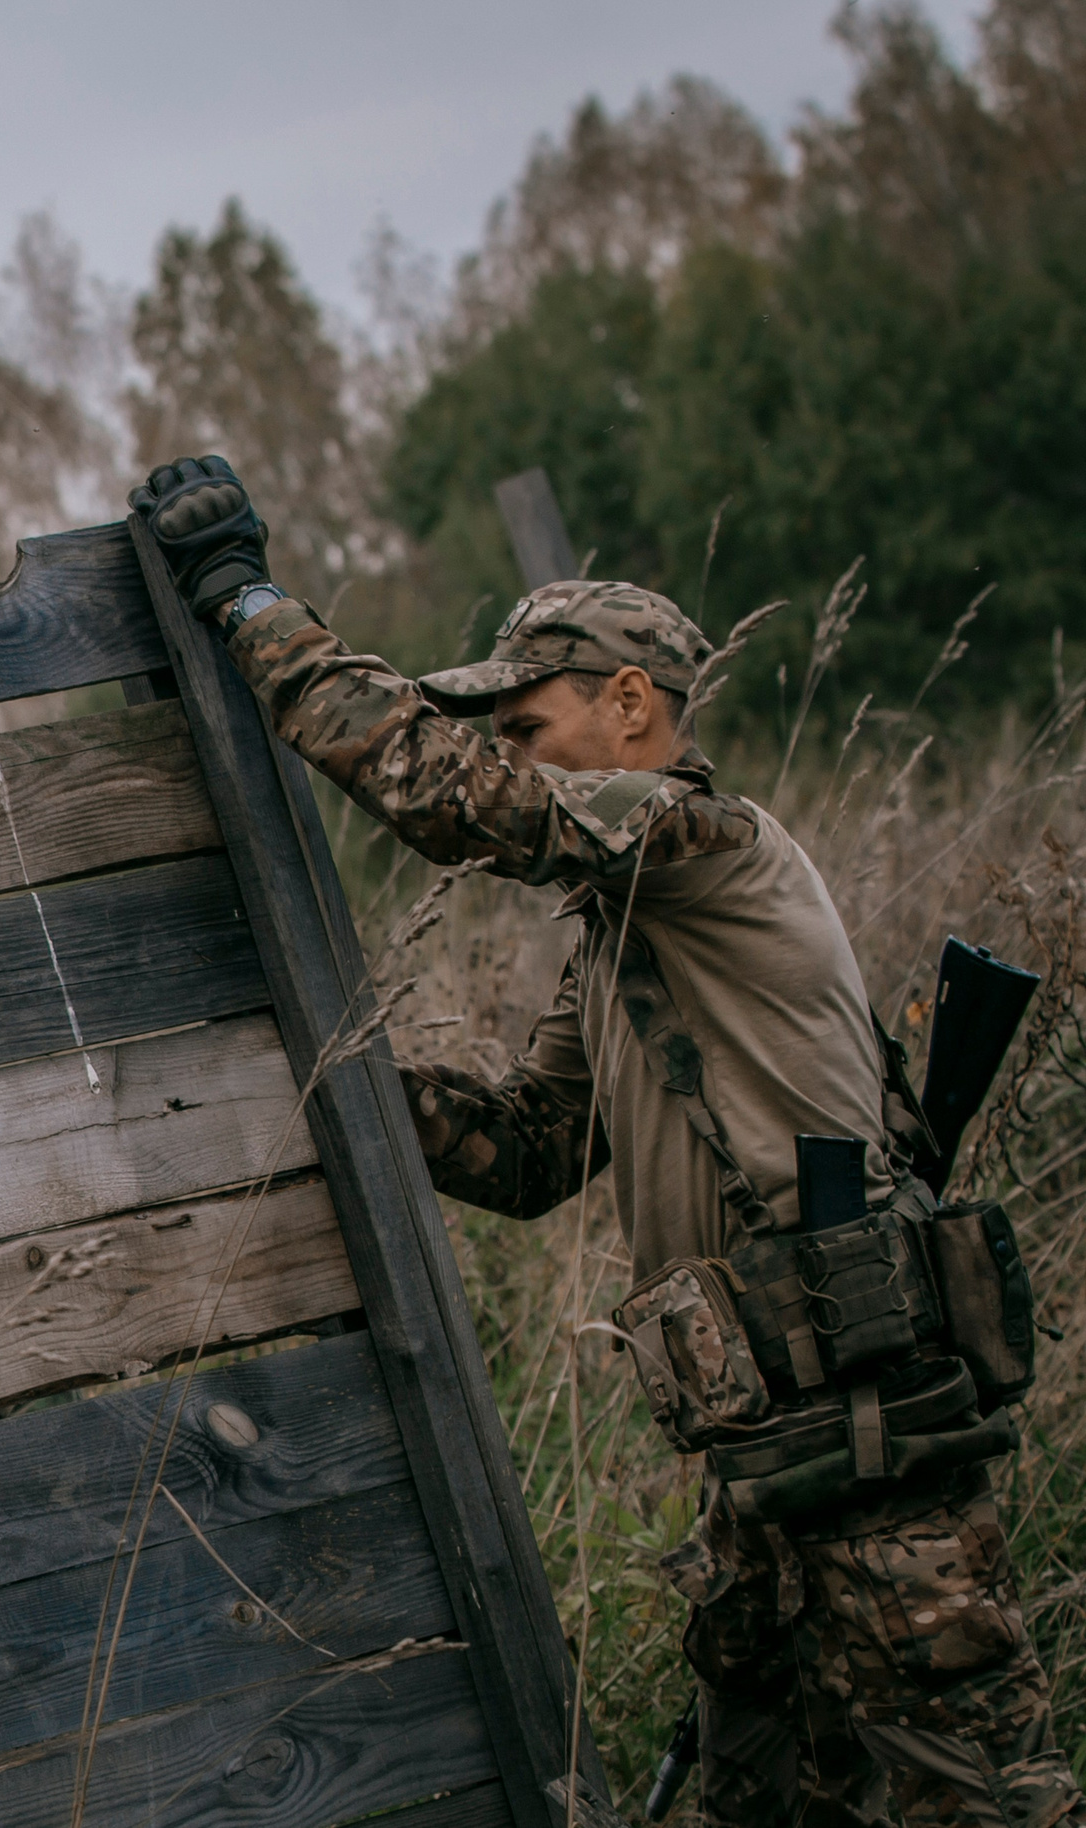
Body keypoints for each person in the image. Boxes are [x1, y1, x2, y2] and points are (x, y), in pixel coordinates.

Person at [131, 456, 1077, 1828]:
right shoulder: (624, 935)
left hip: (877, 1461)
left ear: (632, 705)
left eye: (527, 723)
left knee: (984, 1801)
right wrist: (337, 1077)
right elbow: (529, 1148)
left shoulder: (700, 842)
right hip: (773, 1469)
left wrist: (245, 599)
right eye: (501, 730)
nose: (509, 752)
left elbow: (437, 791)